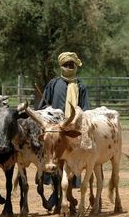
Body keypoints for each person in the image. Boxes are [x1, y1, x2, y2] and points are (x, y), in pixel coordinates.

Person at [38, 52, 90, 195]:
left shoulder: (80, 86)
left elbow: (85, 109)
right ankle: (56, 192)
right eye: (66, 65)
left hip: (73, 129)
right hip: (55, 131)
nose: (69, 67)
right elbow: (43, 106)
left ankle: (68, 194)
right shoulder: (53, 83)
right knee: (53, 160)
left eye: (71, 64)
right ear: (61, 66)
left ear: (75, 66)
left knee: (71, 161)